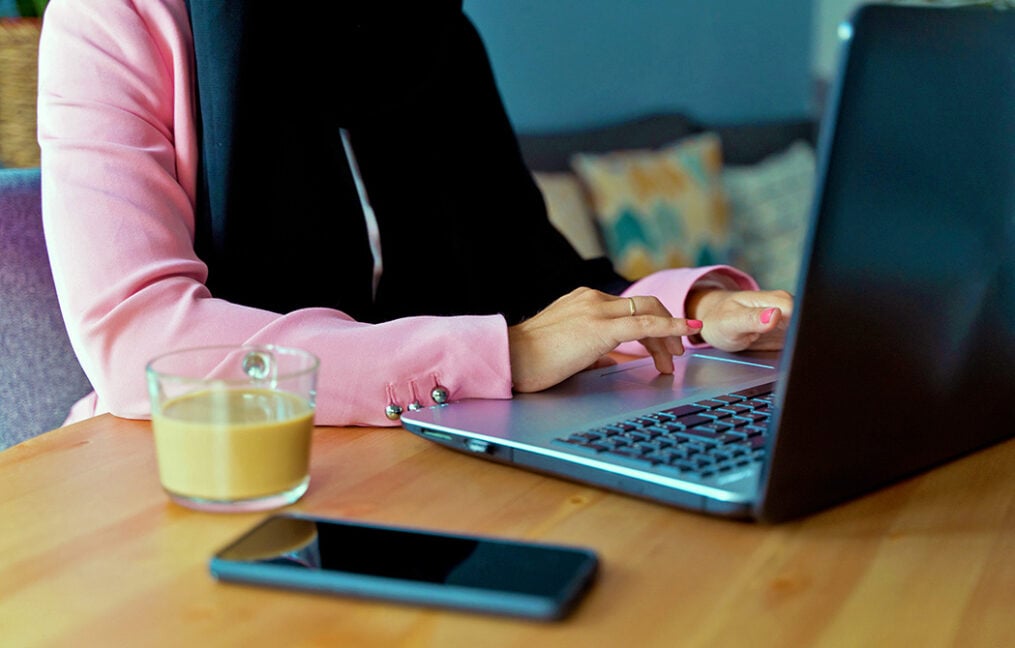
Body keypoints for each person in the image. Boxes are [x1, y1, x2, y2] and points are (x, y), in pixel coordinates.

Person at [37, 1, 793, 427]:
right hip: (195, 473)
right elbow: (138, 339)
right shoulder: (115, 20)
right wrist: (493, 357)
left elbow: (537, 283)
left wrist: (692, 313)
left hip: (421, 463)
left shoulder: (428, 34)